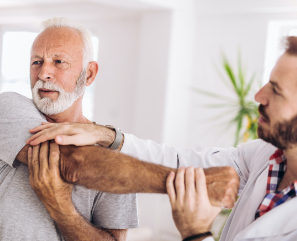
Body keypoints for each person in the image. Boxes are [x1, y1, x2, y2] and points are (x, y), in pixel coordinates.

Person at [25, 36, 297, 241]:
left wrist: (196, 234)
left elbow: (75, 162)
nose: (259, 96)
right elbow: (183, 162)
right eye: (36, 61)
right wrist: (109, 136)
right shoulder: (265, 156)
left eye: (276, 90)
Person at [0, 17, 139, 241]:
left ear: (89, 74)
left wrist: (63, 210)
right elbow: (65, 161)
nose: (44, 73)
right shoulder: (8, 108)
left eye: (58, 62)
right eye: (37, 62)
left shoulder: (117, 153)